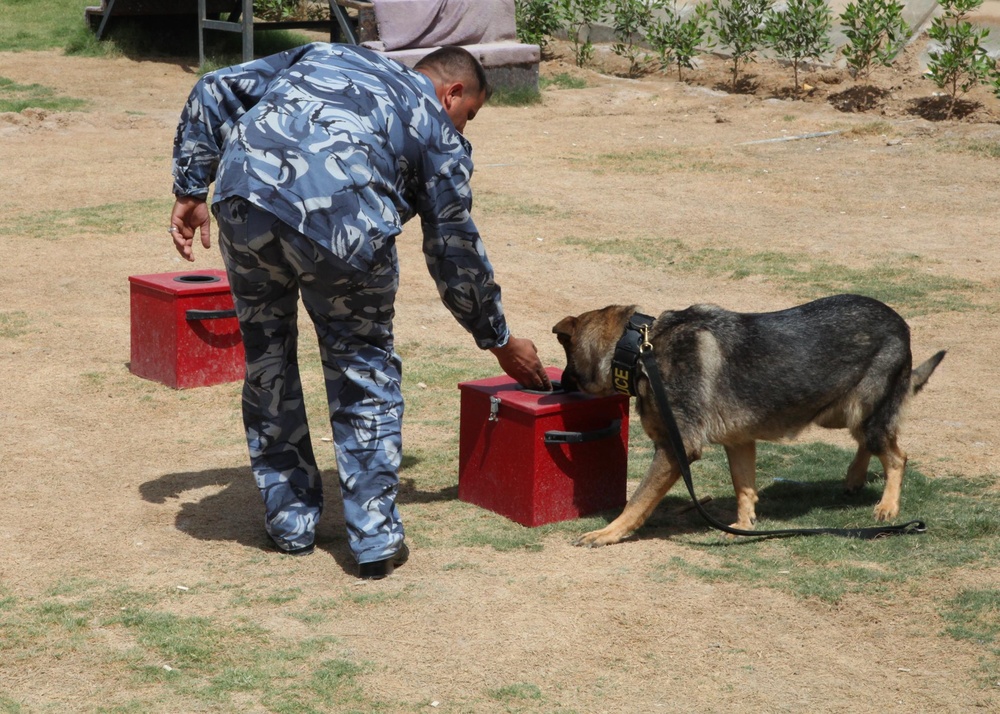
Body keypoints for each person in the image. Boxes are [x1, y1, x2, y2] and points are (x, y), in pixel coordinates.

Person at [168, 43, 551, 579]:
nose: (465, 129)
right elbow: (454, 252)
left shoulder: (327, 54)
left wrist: (191, 186)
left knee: (267, 358)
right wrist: (498, 339)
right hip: (341, 220)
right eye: (470, 116)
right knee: (361, 366)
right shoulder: (435, 127)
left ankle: (290, 522)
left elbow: (213, 88)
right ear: (453, 91)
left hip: (243, 196)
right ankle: (372, 539)